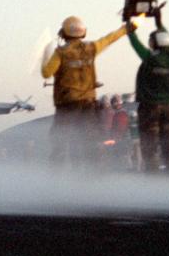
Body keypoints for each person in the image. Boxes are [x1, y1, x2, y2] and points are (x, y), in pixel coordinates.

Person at [42, 16, 132, 166]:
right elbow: (109, 39)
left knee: (60, 141)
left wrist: (45, 54)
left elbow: (46, 73)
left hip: (67, 105)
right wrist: (125, 29)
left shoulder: (60, 53)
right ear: (83, 33)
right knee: (91, 141)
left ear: (64, 33)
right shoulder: (91, 48)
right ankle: (94, 177)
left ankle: (55, 178)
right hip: (88, 105)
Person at [128, 23, 169, 173]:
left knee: (149, 146)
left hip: (150, 108)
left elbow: (137, 46)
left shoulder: (151, 59)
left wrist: (131, 33)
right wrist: (159, 22)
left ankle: (153, 181)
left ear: (154, 43)